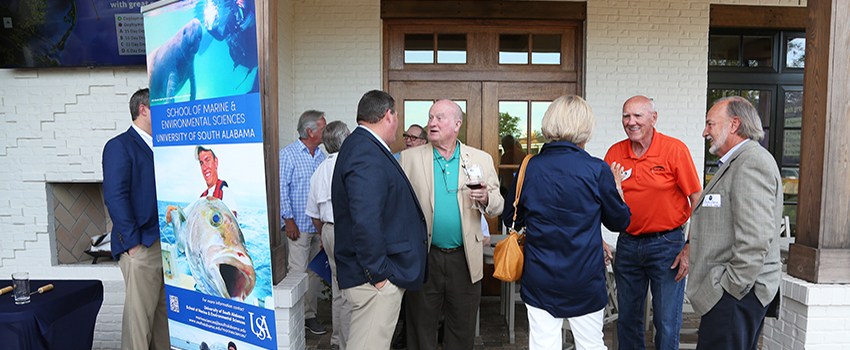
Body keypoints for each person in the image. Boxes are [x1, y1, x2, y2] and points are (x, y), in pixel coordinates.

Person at [502, 95, 631, 350]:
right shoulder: (596, 170)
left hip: (539, 275)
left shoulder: (529, 168)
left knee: (543, 346)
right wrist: (617, 189)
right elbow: (620, 221)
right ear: (585, 127)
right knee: (590, 345)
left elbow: (510, 218)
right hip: (584, 277)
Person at [399, 99, 504, 350]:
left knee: (461, 329)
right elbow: (397, 208)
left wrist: (487, 198)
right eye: (430, 117)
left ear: (457, 124)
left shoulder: (480, 158)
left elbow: (499, 204)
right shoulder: (409, 158)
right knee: (420, 329)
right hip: (424, 258)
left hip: (465, 259)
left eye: (440, 118)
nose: (432, 123)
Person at [332, 90, 429, 350]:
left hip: (372, 278)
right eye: (397, 116)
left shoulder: (363, 146)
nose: (398, 124)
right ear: (389, 115)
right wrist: (379, 276)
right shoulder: (366, 150)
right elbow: (365, 219)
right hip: (373, 282)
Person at [603, 95, 702, 350]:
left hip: (668, 245)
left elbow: (697, 200)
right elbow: (599, 202)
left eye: (638, 116)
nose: (631, 122)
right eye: (626, 116)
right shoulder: (615, 153)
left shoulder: (674, 149)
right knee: (628, 320)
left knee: (666, 321)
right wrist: (598, 236)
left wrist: (690, 246)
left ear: (653, 118)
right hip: (627, 245)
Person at [687, 96, 782, 350]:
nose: (704, 132)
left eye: (710, 124)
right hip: (733, 295)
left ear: (734, 124)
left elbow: (755, 239)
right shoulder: (738, 162)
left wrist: (729, 289)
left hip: (735, 295)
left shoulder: (751, 162)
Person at [102, 88, 170, 350]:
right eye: (158, 107)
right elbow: (115, 197)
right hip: (141, 245)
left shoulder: (161, 144)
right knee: (138, 321)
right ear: (143, 110)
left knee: (163, 317)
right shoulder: (119, 146)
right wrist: (133, 244)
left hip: (164, 243)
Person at [279, 110, 327, 335]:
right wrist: (288, 220)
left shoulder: (321, 156)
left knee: (315, 273)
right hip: (297, 226)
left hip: (319, 226)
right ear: (310, 131)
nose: (325, 132)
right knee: (297, 273)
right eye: (323, 128)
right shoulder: (288, 155)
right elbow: (281, 190)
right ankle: (295, 317)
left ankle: (309, 316)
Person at [305, 120, 351, 349]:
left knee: (337, 288)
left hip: (329, 231)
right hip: (348, 231)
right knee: (351, 289)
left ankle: (336, 340)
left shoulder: (319, 169)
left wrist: (325, 234)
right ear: (346, 138)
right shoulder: (350, 165)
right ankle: (347, 341)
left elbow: (313, 213)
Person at [196, 145, 239, 217]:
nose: (205, 167)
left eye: (208, 160)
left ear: (216, 162)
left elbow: (231, 226)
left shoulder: (227, 194)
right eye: (201, 163)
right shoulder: (202, 199)